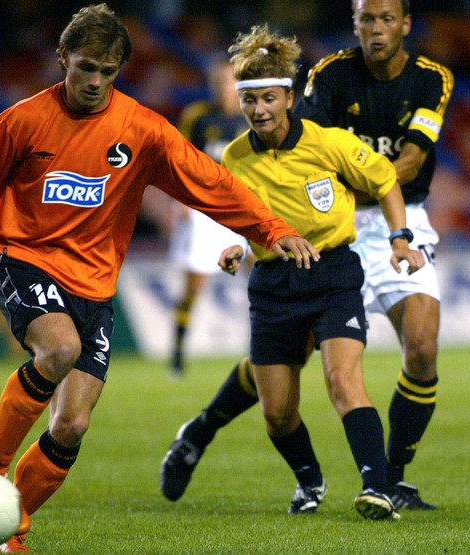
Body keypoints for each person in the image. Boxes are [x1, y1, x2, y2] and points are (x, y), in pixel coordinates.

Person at [0, 5, 320, 553]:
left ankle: (7, 526)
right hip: (27, 258)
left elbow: (210, 182)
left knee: (71, 426)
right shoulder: (22, 121)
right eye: (86, 67)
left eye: (108, 72)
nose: (94, 82)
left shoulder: (141, 130)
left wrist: (270, 226)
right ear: (63, 58)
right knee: (58, 349)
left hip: (95, 285)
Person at [160, 0, 453, 512]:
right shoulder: (328, 77)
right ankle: (202, 430)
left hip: (380, 219)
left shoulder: (430, 80)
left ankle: (387, 480)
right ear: (355, 22)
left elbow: (403, 164)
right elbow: (277, 165)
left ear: (406, 24)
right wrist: (251, 237)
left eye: (387, 18)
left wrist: (389, 218)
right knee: (279, 382)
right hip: (302, 237)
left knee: (416, 351)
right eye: (366, 18)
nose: (376, 29)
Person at [168, 59, 250, 376]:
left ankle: (263, 348)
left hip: (242, 209)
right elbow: (178, 159)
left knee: (259, 280)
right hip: (205, 211)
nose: (223, 88)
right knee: (193, 287)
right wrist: (182, 200)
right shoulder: (198, 116)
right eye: (217, 82)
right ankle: (177, 353)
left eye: (228, 82)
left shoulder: (250, 117)